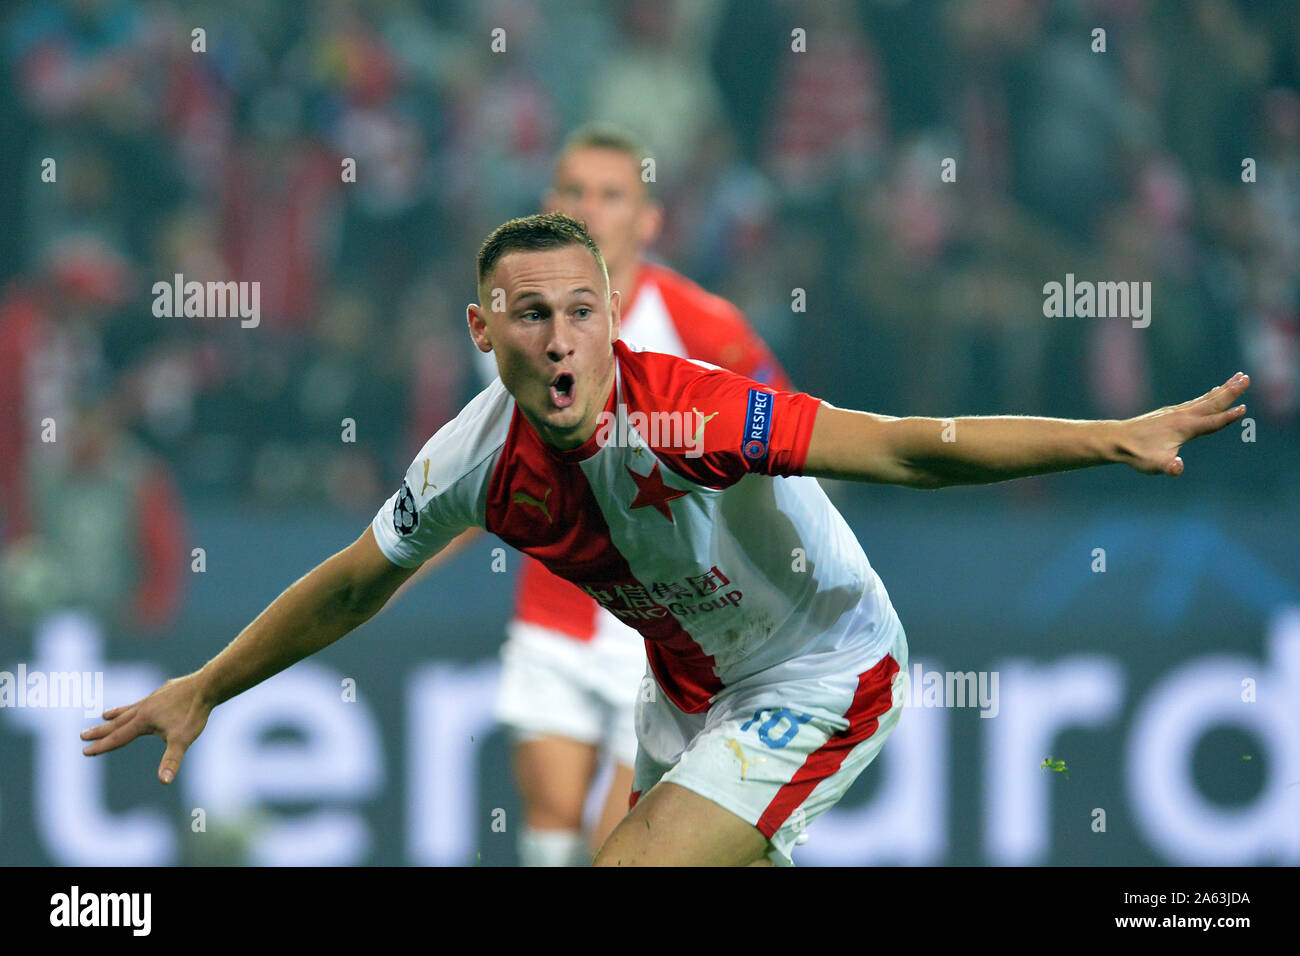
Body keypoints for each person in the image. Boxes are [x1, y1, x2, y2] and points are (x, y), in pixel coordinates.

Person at [82, 213, 1252, 866]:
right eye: (530, 316)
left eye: (581, 312)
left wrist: (1108, 436)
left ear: (610, 314)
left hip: (822, 669)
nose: (559, 341)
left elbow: (902, 446)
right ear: (482, 328)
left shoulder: (689, 408)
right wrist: (208, 684)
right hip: (688, 688)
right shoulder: (472, 459)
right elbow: (351, 585)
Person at [477, 124, 793, 866]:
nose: (589, 208)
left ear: (647, 220)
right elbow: (486, 468)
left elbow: (781, 436)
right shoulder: (508, 324)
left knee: (616, 844)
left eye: (610, 194)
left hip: (662, 625)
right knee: (548, 820)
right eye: (573, 190)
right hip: (552, 608)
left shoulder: (700, 324)